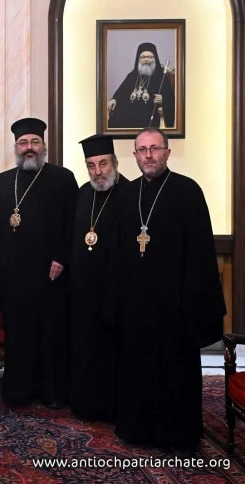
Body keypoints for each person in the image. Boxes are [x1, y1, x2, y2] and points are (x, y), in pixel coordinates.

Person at [114, 128, 225, 457]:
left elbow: (201, 254)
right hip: (135, 305)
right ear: (135, 155)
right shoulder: (126, 194)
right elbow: (117, 254)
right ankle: (136, 428)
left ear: (167, 152)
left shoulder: (188, 192)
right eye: (142, 150)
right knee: (136, 370)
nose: (148, 155)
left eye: (154, 148)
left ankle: (178, 434)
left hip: (175, 306)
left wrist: (192, 304)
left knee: (174, 372)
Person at [0, 118, 78, 408]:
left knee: (50, 333)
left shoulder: (63, 179)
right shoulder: (2, 181)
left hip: (50, 274)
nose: (29, 148)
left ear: (43, 146)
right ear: (16, 147)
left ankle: (52, 392)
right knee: (18, 333)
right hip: (13, 275)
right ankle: (18, 390)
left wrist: (61, 256)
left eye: (34, 142)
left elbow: (74, 223)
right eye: (23, 143)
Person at [68, 134, 129, 421]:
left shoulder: (129, 193)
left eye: (103, 164)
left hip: (116, 289)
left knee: (112, 350)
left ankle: (113, 406)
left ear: (115, 164)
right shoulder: (83, 193)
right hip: (84, 289)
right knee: (85, 348)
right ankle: (85, 404)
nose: (98, 172)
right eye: (91, 166)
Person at [107, 42, 175, 129]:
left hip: (149, 114)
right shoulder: (132, 76)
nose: (146, 59)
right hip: (128, 114)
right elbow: (122, 91)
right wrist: (114, 99)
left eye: (149, 57)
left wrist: (163, 100)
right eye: (143, 57)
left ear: (155, 59)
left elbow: (170, 98)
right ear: (138, 59)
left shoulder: (161, 77)